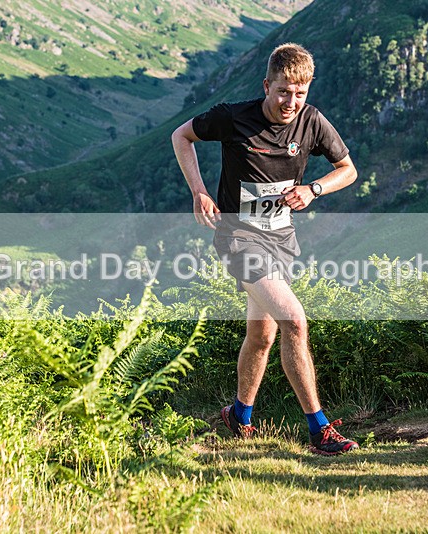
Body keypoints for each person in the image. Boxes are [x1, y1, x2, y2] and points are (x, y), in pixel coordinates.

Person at [171, 43, 359, 455]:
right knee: (294, 320)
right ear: (266, 85)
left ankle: (238, 415)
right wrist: (199, 193)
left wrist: (314, 189)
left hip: (282, 239)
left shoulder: (311, 122)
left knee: (263, 334)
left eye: (300, 93)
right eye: (283, 92)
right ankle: (319, 429)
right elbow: (181, 135)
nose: (291, 102)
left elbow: (348, 170)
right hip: (238, 237)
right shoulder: (234, 117)